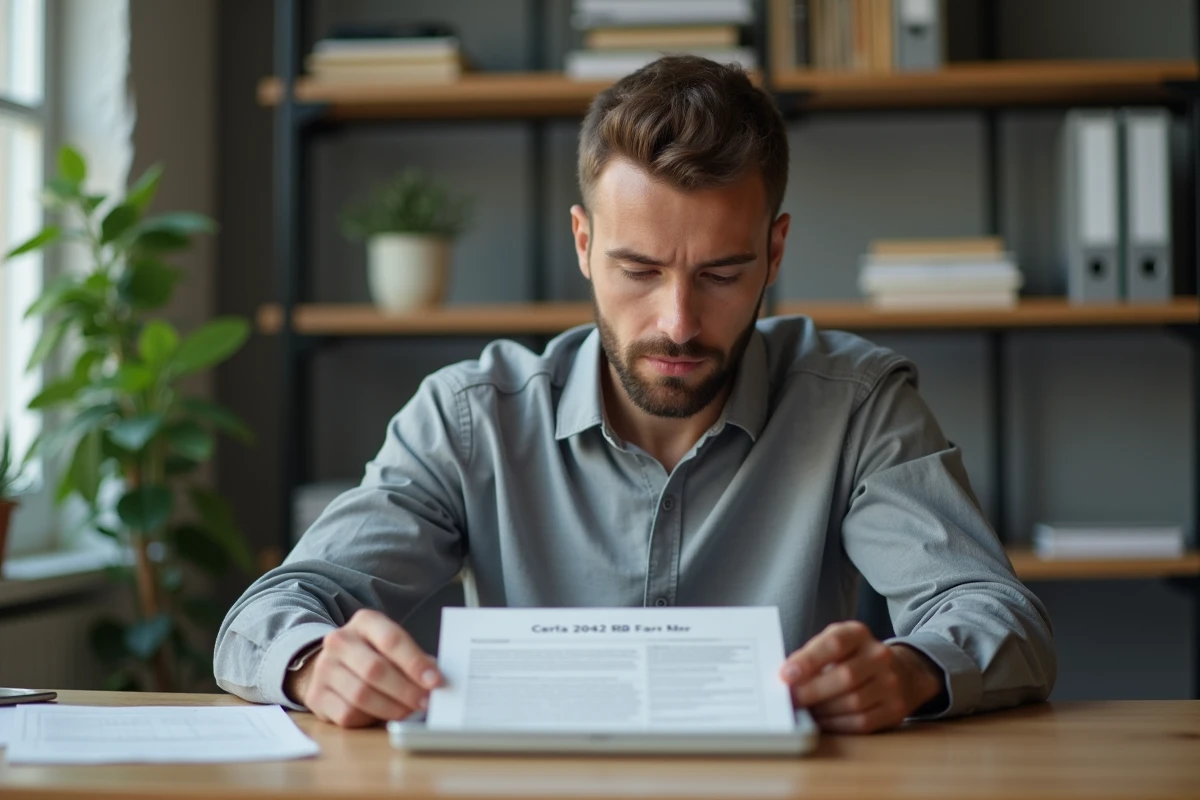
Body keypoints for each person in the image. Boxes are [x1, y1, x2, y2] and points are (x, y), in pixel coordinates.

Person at [215, 55, 1055, 734]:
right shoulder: (471, 417)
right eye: (639, 271)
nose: (678, 322)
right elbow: (267, 614)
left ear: (774, 252)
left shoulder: (857, 403)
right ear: (584, 244)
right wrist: (314, 661)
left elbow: (996, 615)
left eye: (722, 273)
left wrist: (908, 671)